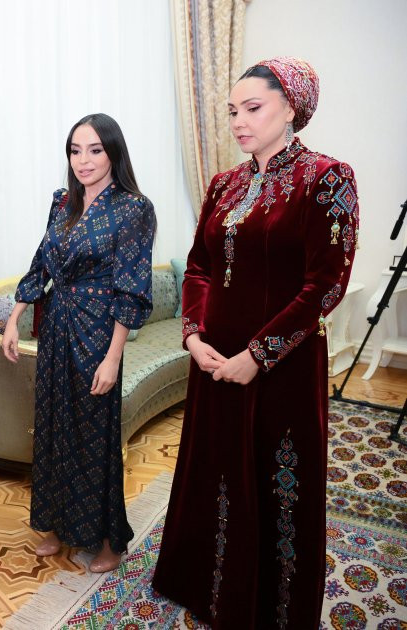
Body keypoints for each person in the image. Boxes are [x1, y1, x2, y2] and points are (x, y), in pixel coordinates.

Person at [152, 58, 359, 628]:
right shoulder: (224, 183)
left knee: (275, 484)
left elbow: (326, 284)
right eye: (232, 111)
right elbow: (199, 266)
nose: (239, 122)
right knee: (214, 471)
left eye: (252, 108)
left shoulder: (327, 179)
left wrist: (258, 356)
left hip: (282, 366)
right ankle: (208, 591)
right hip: (213, 360)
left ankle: (269, 609)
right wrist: (194, 335)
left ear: (290, 108)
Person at [2, 113, 156, 572]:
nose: (83, 160)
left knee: (93, 434)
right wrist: (15, 317)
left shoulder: (133, 208)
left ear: (113, 152)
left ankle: (107, 540)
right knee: (52, 426)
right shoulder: (62, 202)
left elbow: (132, 288)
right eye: (75, 150)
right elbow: (41, 263)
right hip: (57, 327)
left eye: (94, 150)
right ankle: (55, 523)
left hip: (97, 332)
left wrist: (113, 358)